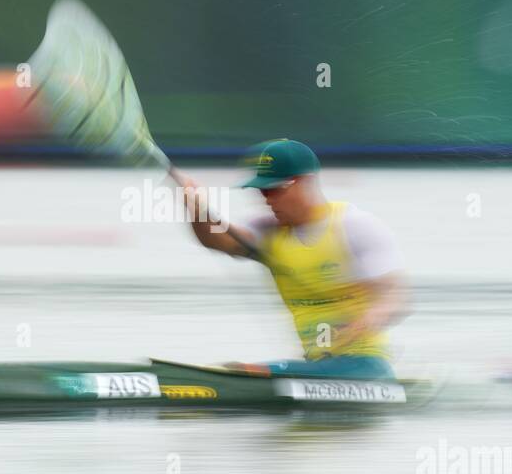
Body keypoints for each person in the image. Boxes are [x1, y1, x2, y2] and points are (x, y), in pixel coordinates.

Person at [170, 139, 410, 378]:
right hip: (315, 367)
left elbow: (395, 297)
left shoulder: (355, 226)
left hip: (365, 366)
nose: (267, 199)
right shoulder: (268, 231)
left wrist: (372, 317)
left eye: (274, 189)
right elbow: (218, 240)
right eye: (262, 191)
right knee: (244, 371)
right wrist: (197, 209)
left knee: (244, 372)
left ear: (304, 182)